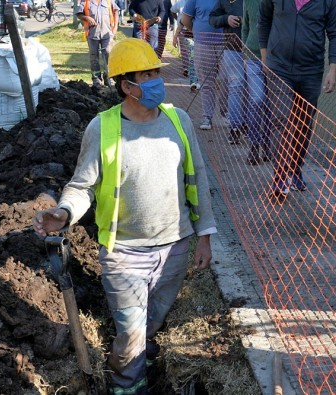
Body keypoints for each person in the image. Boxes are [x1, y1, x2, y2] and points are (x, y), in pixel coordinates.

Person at [32, 38, 217, 394]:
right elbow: (83, 186)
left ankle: (143, 366)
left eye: (155, 73)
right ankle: (127, 387)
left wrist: (204, 236)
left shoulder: (179, 122)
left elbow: (198, 177)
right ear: (126, 86)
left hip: (175, 246)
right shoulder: (103, 128)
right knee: (131, 333)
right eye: (145, 76)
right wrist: (65, 212)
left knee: (152, 323)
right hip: (124, 252)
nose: (155, 82)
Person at [259, 0, 336, 197]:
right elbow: (263, 20)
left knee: (303, 123)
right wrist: (265, 58)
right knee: (280, 120)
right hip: (279, 67)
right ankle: (280, 176)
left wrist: (332, 70)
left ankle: (295, 168)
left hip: (311, 70)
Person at [208, 0, 246, 145]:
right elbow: (212, 19)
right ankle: (235, 128)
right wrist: (226, 19)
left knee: (252, 92)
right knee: (236, 87)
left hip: (255, 50)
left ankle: (248, 126)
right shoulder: (224, 1)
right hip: (232, 49)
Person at [180, 0, 223, 130]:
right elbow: (186, 19)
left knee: (227, 80)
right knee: (206, 82)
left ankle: (227, 113)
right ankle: (207, 117)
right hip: (203, 43)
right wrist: (197, 32)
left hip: (227, 42)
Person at [239, 0, 270, 164]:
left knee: (270, 105)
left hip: (273, 58)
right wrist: (245, 53)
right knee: (257, 100)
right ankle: (254, 144)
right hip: (252, 58)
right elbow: (245, 27)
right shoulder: (248, 1)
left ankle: (266, 144)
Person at [76, 0, 119, 87]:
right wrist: (86, 18)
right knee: (94, 57)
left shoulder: (108, 1)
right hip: (92, 34)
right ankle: (96, 79)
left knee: (108, 54)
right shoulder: (86, 2)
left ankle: (109, 77)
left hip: (107, 33)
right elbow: (79, 14)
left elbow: (116, 11)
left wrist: (115, 28)